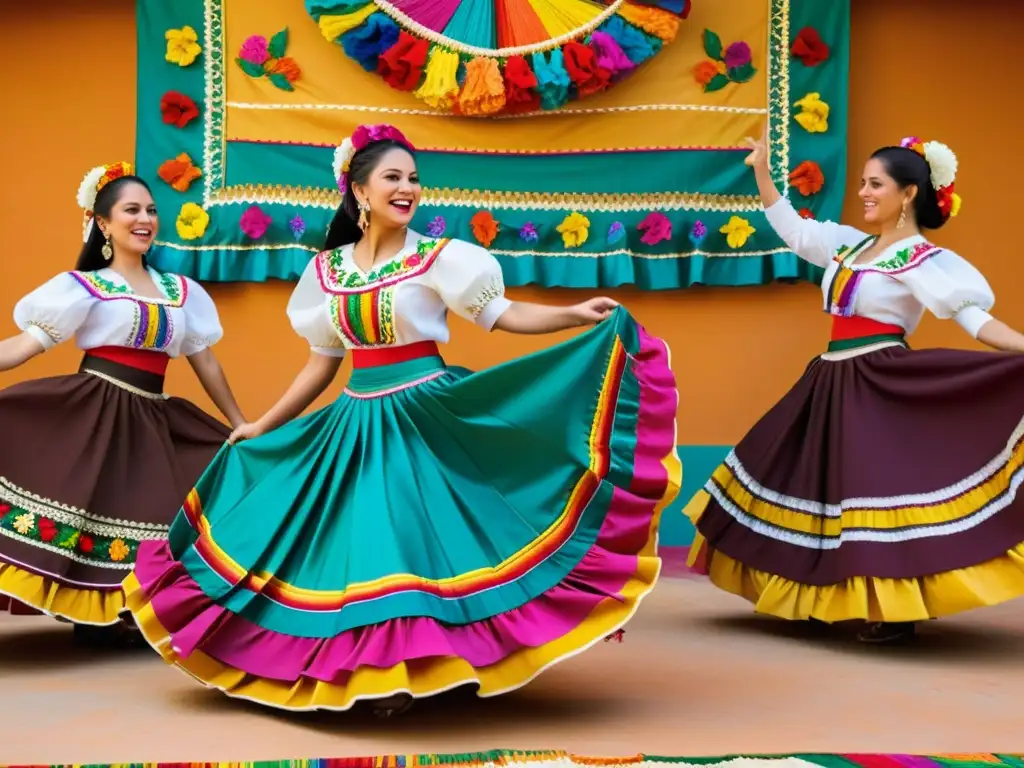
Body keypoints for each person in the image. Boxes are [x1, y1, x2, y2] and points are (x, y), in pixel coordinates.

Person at [123, 123, 680, 714]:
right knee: (366, 548)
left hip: (428, 413)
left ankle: (432, 663)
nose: (408, 188)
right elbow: (322, 365)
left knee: (428, 544)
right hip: (357, 420)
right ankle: (380, 670)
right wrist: (263, 423)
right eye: (393, 177)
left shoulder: (439, 258)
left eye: (414, 178)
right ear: (359, 192)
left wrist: (572, 314)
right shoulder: (327, 273)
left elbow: (502, 314)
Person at [684, 129, 1024, 644]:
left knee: (875, 492)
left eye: (876, 184)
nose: (864, 192)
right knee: (804, 474)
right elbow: (796, 234)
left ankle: (893, 609)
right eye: (863, 183)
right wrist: (762, 171)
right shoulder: (850, 246)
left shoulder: (921, 260)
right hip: (831, 375)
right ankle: (828, 594)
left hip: (880, 379)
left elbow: (976, 321)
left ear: (908, 194)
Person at [0, 162, 245, 647]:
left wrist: (240, 422)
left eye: (151, 210)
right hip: (94, 411)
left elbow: (207, 364)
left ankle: (126, 614)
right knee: (89, 506)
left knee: (156, 507)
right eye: (131, 210)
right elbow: (23, 346)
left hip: (151, 414)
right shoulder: (84, 286)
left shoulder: (181, 293)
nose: (145, 219)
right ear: (103, 223)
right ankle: (90, 612)